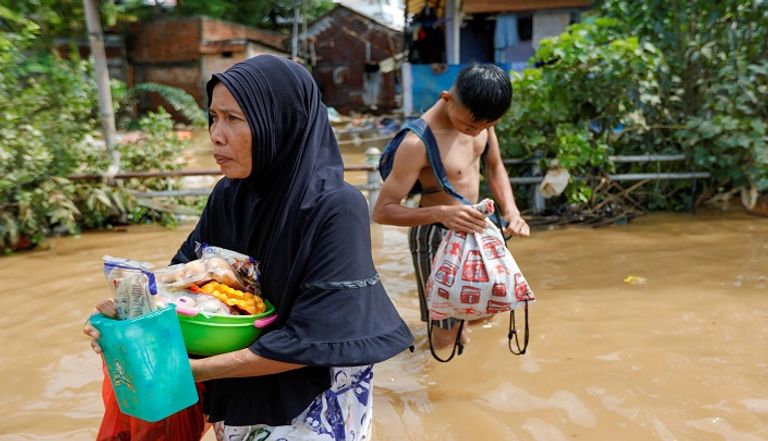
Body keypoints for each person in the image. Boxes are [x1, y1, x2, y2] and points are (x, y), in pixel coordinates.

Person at [84, 55, 414, 440]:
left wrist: (188, 370)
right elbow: (181, 287)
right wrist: (129, 320)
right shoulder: (228, 195)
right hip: (237, 394)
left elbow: (318, 336)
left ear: (280, 124)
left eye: (234, 119)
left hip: (314, 404)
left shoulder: (335, 207)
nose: (215, 135)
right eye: (213, 117)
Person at [372, 64, 529, 350]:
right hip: (436, 235)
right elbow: (382, 210)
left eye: (486, 126)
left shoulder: (481, 120)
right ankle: (434, 379)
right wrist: (442, 213)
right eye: (470, 125)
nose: (477, 132)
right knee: (446, 335)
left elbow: (494, 167)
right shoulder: (416, 143)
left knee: (491, 305)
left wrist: (512, 212)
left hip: (479, 229)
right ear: (447, 99)